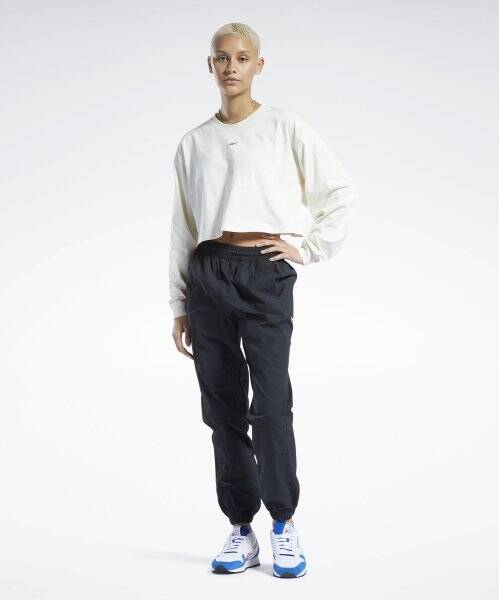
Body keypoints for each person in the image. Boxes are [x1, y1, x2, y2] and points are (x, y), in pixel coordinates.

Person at [168, 22, 356, 578]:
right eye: (222, 57)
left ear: (258, 65)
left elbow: (338, 191)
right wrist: (179, 303)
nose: (232, 66)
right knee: (221, 407)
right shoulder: (193, 143)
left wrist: (306, 247)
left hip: (264, 272)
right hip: (208, 272)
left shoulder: (284, 127)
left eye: (242, 57)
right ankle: (240, 528)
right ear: (210, 65)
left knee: (271, 403)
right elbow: (182, 226)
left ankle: (283, 522)